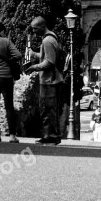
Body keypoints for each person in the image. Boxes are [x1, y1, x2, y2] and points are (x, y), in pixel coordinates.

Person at [25, 16, 64, 145]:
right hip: (50, 80)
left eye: (35, 29)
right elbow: (47, 57)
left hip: (49, 81)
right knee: (48, 109)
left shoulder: (47, 41)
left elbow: (49, 62)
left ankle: (51, 136)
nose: (34, 32)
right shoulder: (50, 39)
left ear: (42, 26)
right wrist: (35, 55)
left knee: (47, 109)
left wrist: (34, 67)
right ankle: (50, 135)